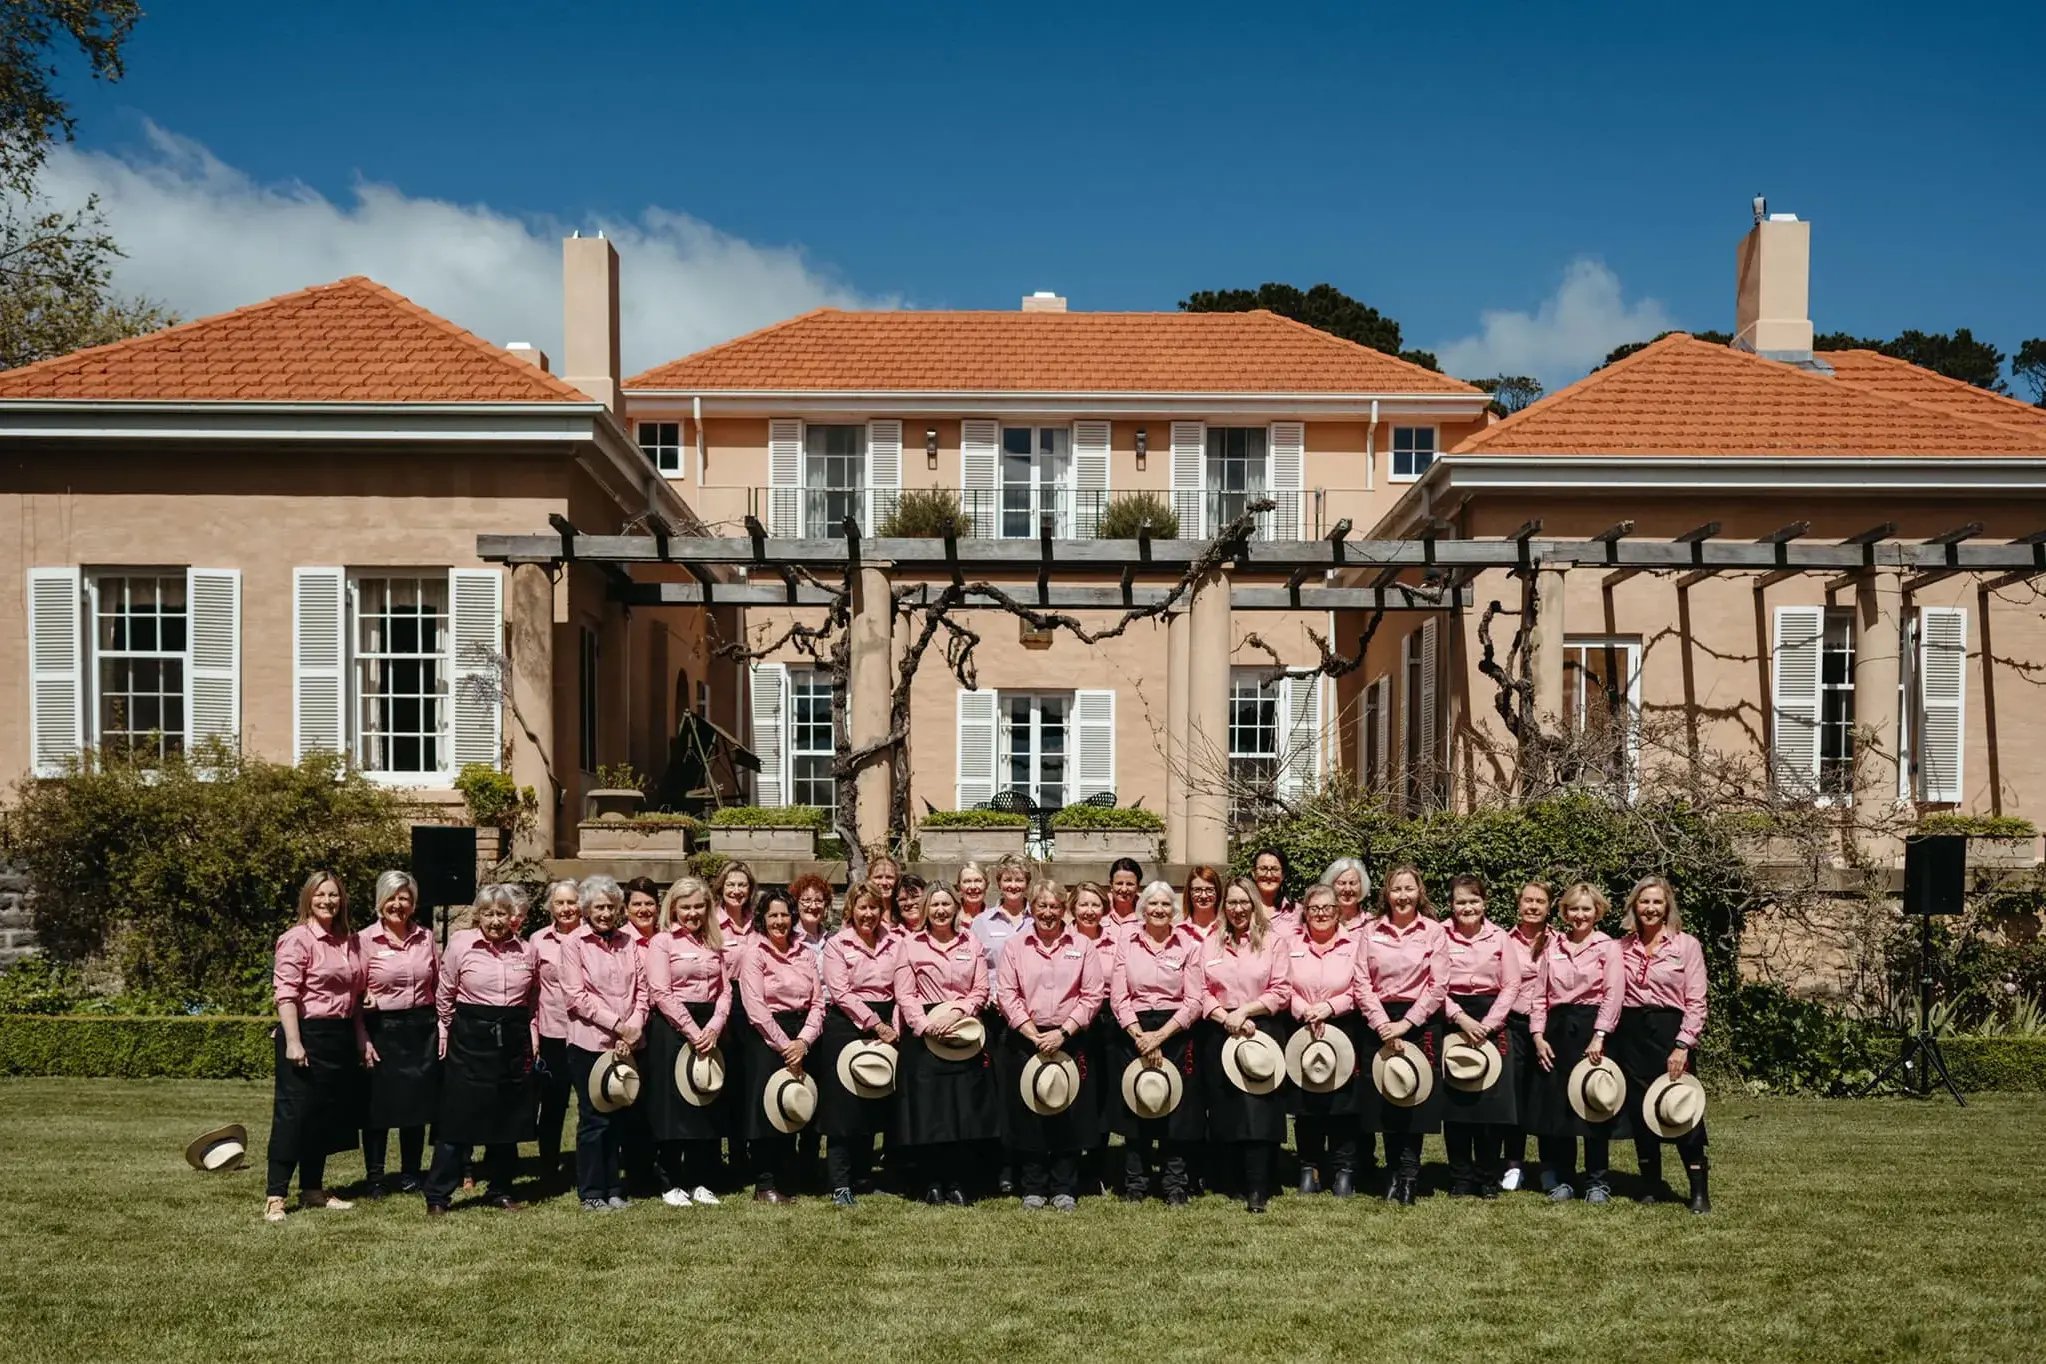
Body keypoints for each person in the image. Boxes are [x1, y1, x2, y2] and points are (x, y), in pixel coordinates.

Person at [264, 870, 371, 1223]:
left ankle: (312, 1190)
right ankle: (276, 1196)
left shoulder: (349, 941)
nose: (327, 901)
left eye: (334, 894)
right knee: (293, 1115)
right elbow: (286, 993)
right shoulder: (296, 939)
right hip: (305, 1033)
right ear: (308, 899)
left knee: (323, 1116)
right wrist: (294, 1041)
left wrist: (361, 1038)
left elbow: (356, 996)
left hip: (338, 1035)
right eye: (320, 894)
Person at [426, 884, 537, 1215]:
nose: (495, 920)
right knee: (458, 1118)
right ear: (478, 916)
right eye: (488, 914)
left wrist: (532, 1034)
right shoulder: (461, 944)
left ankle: (501, 1189)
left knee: (507, 1119)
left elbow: (533, 997)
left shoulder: (527, 950)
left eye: (502, 913)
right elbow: (445, 994)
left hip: (512, 1038)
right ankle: (438, 1196)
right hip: (470, 1038)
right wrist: (448, 1031)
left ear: (512, 916)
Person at [995, 880, 1105, 1211]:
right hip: (1026, 1039)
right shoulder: (1015, 946)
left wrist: (1063, 1033)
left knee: (1067, 1112)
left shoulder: (1083, 946)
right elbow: (1007, 994)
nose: (1047, 912)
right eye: (1041, 906)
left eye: (1054, 906)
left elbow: (1092, 995)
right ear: (1032, 908)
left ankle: (1064, 1186)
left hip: (1070, 1038)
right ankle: (1033, 1186)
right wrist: (1032, 1034)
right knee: (1030, 1114)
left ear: (1063, 909)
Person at [892, 882, 998, 1205]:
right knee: (930, 1115)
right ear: (926, 909)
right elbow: (905, 994)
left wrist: (958, 1013)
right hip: (924, 1037)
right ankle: (931, 1182)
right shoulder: (910, 945)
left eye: (946, 904)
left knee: (961, 1113)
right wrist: (925, 1026)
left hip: (963, 1031)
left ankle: (957, 1181)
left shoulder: (971, 941)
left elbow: (980, 989)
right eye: (935, 905)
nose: (940, 910)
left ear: (955, 907)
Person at [1614, 876, 1712, 1213]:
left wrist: (1683, 1044)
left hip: (1670, 1032)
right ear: (1634, 906)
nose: (1650, 908)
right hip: (1632, 1035)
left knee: (1682, 1108)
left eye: (1657, 902)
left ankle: (1698, 1190)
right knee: (1641, 1111)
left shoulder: (1687, 945)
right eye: (1644, 902)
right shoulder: (1621, 947)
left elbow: (1697, 1000)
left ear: (1667, 906)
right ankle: (1650, 1184)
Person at [1197, 877, 1292, 1213]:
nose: (1237, 909)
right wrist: (1226, 1017)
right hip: (1220, 1029)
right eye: (1231, 903)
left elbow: (1281, 990)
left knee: (1258, 1112)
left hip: (1260, 1029)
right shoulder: (1210, 944)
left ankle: (1258, 1187)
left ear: (1254, 904)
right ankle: (1232, 1181)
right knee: (1227, 1110)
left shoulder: (1273, 942)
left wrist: (1245, 1012)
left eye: (1243, 902)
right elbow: (1200, 991)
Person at [1353, 865, 1445, 1205]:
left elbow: (1438, 985)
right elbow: (1361, 982)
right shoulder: (1370, 931)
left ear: (1419, 893)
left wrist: (1405, 1024)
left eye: (1409, 889)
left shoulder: (1434, 932)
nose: (1403, 896)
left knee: (1413, 1099)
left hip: (1419, 1021)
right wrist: (1382, 1024)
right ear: (1386, 894)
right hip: (1378, 1019)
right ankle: (1392, 1172)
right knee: (1386, 1097)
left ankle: (1409, 1176)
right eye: (1396, 889)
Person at [1107, 880, 1202, 1204]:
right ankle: (1136, 1182)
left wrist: (1160, 1036)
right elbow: (1118, 996)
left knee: (1176, 1110)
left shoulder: (1188, 945)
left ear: (1173, 910)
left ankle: (1175, 1183)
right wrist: (1140, 1035)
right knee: (1138, 1103)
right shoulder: (1127, 944)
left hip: (1175, 1031)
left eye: (1165, 904)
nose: (1159, 909)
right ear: (1142, 909)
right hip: (1134, 1030)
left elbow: (1194, 1000)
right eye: (1153, 904)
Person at [1529, 882, 1624, 1204]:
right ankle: (1564, 1179)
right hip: (1555, 1033)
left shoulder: (1608, 947)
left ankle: (1597, 1182)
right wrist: (1538, 1036)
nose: (1579, 915)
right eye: (1573, 909)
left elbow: (1613, 994)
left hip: (1591, 1031)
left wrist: (1600, 1035)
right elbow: (1539, 996)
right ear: (1564, 912)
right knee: (1559, 1111)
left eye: (1586, 909)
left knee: (1594, 1105)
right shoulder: (1552, 946)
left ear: (1597, 912)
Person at [559, 874, 647, 1212]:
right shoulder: (573, 944)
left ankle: (614, 1188)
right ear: (586, 910)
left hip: (627, 1043)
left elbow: (642, 991)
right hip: (590, 1043)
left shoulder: (629, 942)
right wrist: (619, 1027)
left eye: (611, 907)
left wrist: (633, 1028)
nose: (606, 913)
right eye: (599, 907)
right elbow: (576, 997)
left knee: (619, 1116)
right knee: (594, 1119)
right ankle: (592, 1191)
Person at [643, 877, 730, 1209]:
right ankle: (670, 1181)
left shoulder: (714, 942)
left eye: (698, 906)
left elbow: (725, 990)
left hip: (709, 1027)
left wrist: (715, 1025)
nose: (693, 913)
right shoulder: (662, 942)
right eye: (686, 907)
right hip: (674, 1028)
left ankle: (700, 1180)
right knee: (674, 1108)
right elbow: (660, 992)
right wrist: (693, 1031)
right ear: (673, 909)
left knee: (704, 1102)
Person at [816, 880, 902, 1207]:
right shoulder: (837, 944)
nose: (868, 914)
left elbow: (902, 988)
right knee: (843, 1110)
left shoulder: (895, 942)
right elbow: (840, 992)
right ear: (851, 910)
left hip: (888, 1022)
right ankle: (840, 1183)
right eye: (862, 907)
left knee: (873, 1100)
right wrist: (875, 1025)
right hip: (847, 1025)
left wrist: (893, 1028)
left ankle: (864, 1177)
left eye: (874, 907)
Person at [1436, 875, 1521, 1198]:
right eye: (1461, 901)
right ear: (1451, 905)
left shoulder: (1500, 937)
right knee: (1457, 1103)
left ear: (1484, 903)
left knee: (1490, 1106)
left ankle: (1487, 1176)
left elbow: (1511, 984)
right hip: (1452, 1017)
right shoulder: (1439, 935)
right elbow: (1433, 984)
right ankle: (1460, 1176)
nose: (1468, 907)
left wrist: (1488, 1023)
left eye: (1474, 900)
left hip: (1492, 1020)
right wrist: (1460, 1018)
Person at [737, 889, 825, 1202]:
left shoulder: (806, 953)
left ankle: (790, 1177)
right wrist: (786, 1045)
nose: (779, 921)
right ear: (762, 918)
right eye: (772, 915)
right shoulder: (754, 953)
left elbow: (818, 1002)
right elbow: (755, 1007)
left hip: (803, 1034)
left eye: (784, 915)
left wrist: (804, 1041)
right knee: (767, 1110)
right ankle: (765, 1184)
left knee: (793, 1104)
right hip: (767, 1037)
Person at [358, 870, 438, 1198]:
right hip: (382, 1028)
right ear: (380, 901)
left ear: (413, 903)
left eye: (404, 898)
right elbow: (354, 991)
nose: (398, 904)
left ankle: (410, 1173)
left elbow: (438, 983)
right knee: (377, 1107)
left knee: (415, 1106)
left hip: (421, 1027)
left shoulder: (426, 937)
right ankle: (375, 1177)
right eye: (391, 897)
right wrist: (362, 1036)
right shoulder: (364, 940)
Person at [1289, 884, 1366, 1197]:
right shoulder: (1290, 944)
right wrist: (1303, 1009)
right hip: (1302, 1027)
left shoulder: (1356, 945)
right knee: (1306, 1102)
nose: (1321, 914)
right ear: (1305, 912)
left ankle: (1344, 1169)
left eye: (1327, 908)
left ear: (1338, 912)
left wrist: (1330, 1007)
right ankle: (1310, 1167)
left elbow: (1362, 987)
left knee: (1343, 1104)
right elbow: (1281, 983)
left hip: (1343, 1025)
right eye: (1314, 908)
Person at [1500, 880, 1553, 1193]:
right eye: (1528, 900)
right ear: (1518, 904)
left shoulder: (1558, 943)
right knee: (1515, 1098)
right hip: (1513, 1025)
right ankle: (1514, 1164)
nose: (1533, 906)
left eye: (1540, 901)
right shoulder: (1504, 941)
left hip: (1548, 1029)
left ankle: (1549, 1166)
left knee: (1546, 1097)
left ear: (1549, 907)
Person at [530, 878, 583, 1187]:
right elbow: (532, 991)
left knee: (592, 1104)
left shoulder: (592, 937)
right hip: (553, 1033)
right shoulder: (538, 940)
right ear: (550, 906)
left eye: (571, 902)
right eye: (560, 902)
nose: (566, 908)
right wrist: (533, 1033)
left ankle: (589, 1165)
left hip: (588, 1033)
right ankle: (548, 1168)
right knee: (552, 1105)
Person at [1069, 883, 1118, 1193]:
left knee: (1103, 1093)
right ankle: (1072, 1160)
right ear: (1073, 908)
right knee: (1075, 1092)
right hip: (1072, 1024)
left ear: (1105, 909)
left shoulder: (1117, 941)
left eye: (1095, 905)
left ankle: (1098, 1165)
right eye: (1083, 905)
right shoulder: (1062, 940)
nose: (1089, 911)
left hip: (1107, 1022)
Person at [618, 875, 664, 1194]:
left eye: (649, 903)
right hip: (631, 1026)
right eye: (637, 904)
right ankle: (635, 1169)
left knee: (659, 1098)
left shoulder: (667, 938)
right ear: (626, 908)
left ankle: (659, 1164)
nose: (644, 909)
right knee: (632, 1099)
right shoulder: (621, 940)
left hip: (663, 1026)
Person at [716, 862, 760, 976]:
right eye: (730, 885)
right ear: (721, 888)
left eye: (742, 885)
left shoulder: (759, 922)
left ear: (750, 889)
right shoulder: (711, 924)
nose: (736, 891)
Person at [1248, 847, 1298, 937]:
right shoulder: (1244, 908)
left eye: (1275, 869)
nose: (1269, 875)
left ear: (1283, 874)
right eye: (1263, 868)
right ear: (1253, 873)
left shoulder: (1297, 912)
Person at [1323, 857, 1372, 930]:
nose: (1347, 889)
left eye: (1353, 883)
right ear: (1331, 885)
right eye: (1341, 883)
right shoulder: (1320, 921)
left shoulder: (1372, 924)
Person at [1180, 865, 1224, 942]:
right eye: (1197, 890)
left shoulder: (1227, 930)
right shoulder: (1178, 932)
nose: (1204, 896)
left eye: (1209, 890)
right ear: (1189, 892)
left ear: (1218, 892)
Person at [1105, 858, 1145, 941]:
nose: (1124, 889)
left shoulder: (1147, 913)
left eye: (1130, 884)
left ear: (1138, 886)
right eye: (1119, 883)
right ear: (1111, 885)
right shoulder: (1099, 908)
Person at [867, 855, 902, 923]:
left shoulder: (903, 912)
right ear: (869, 880)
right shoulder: (864, 912)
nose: (884, 882)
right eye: (878, 877)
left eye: (889, 877)